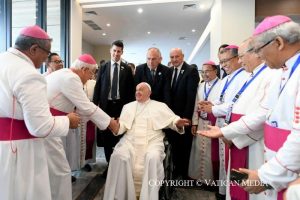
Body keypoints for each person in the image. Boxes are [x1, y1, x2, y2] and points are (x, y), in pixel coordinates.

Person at [0, 25, 80, 200]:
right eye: (46, 53)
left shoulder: (2, 61)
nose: (46, 60)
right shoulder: (29, 74)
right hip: (21, 149)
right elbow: (40, 127)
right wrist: (68, 121)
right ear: (34, 49)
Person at [232, 15, 300, 200]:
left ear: (278, 42)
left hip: (290, 171)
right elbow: (267, 111)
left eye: (259, 49)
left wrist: (265, 177)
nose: (259, 55)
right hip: (277, 164)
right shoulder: (281, 71)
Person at [199, 38, 275, 200]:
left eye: (241, 56)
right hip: (238, 133)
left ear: (256, 53)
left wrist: (228, 132)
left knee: (251, 188)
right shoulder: (251, 75)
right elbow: (235, 103)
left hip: (252, 140)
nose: (240, 61)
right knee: (234, 180)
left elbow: (262, 113)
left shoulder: (269, 74)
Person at [45, 54, 119, 200]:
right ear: (84, 69)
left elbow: (80, 109)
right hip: (51, 126)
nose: (91, 78)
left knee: (57, 170)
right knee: (60, 171)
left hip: (55, 123)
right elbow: (86, 106)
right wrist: (110, 123)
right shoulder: (71, 78)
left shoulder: (65, 74)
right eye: (91, 73)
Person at [103, 82, 190, 200]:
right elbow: (122, 126)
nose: (138, 92)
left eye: (141, 90)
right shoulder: (128, 106)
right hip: (130, 141)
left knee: (152, 157)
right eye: (136, 90)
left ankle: (149, 196)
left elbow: (173, 120)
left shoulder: (160, 106)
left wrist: (178, 124)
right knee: (118, 156)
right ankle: (122, 195)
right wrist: (115, 127)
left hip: (152, 140)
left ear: (149, 93)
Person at [198, 45, 248, 200]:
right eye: (221, 61)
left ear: (237, 58)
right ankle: (223, 192)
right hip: (222, 124)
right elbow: (222, 101)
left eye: (227, 60)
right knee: (223, 163)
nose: (224, 65)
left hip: (233, 126)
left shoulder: (244, 76)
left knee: (232, 164)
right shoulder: (227, 79)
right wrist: (211, 105)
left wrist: (214, 109)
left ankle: (228, 193)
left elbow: (237, 104)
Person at [93, 40, 135, 176]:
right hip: (106, 106)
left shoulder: (127, 69)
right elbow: (98, 87)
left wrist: (130, 109)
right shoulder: (104, 67)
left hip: (121, 107)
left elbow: (130, 91)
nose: (116, 53)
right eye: (114, 51)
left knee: (119, 135)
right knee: (106, 137)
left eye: (119, 51)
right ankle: (109, 165)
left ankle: (118, 164)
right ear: (110, 51)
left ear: (122, 53)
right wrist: (94, 106)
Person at [167, 48, 200, 178]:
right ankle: (175, 170)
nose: (174, 59)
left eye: (177, 56)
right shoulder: (169, 71)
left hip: (184, 116)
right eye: (172, 57)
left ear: (182, 56)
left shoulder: (191, 71)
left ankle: (184, 173)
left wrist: (186, 118)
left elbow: (191, 97)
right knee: (174, 145)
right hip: (171, 117)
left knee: (184, 146)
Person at [189, 61, 222, 185]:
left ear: (215, 71)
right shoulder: (200, 85)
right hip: (201, 121)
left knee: (211, 153)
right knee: (199, 150)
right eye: (202, 71)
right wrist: (194, 123)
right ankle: (199, 178)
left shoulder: (221, 84)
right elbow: (195, 106)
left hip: (214, 124)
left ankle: (211, 180)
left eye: (207, 71)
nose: (204, 74)